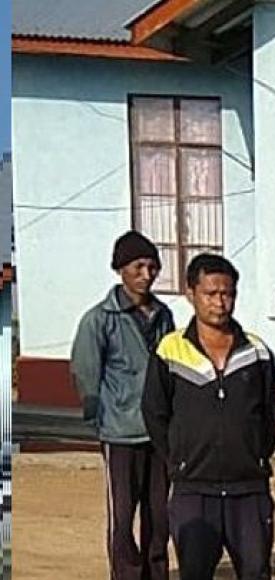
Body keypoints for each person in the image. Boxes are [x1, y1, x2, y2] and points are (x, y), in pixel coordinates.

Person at [141, 254, 275, 580]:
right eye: (210, 293)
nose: (220, 303)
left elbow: (270, 414)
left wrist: (256, 456)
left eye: (227, 294)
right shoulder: (169, 351)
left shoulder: (257, 353)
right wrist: (179, 458)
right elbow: (155, 413)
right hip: (193, 491)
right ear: (191, 294)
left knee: (256, 572)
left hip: (248, 491)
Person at [71, 231, 175, 580]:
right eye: (138, 266)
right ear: (120, 269)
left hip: (159, 432)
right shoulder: (99, 319)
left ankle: (156, 573)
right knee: (123, 515)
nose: (146, 274)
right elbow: (86, 371)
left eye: (152, 267)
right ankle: (126, 575)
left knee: (159, 514)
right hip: (119, 432)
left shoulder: (163, 315)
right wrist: (99, 418)